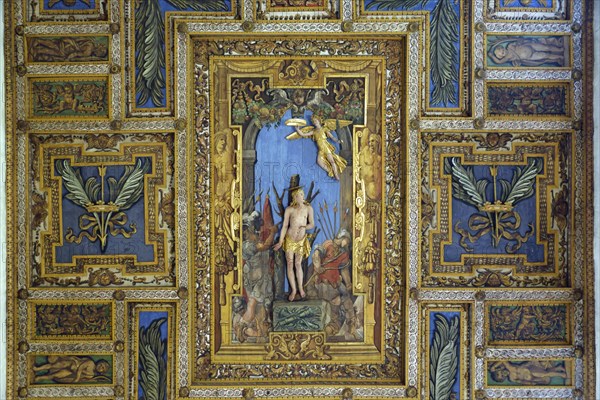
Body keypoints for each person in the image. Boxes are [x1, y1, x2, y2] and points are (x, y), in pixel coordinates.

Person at [273, 188, 315, 301]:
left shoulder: (308, 209)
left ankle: (301, 288)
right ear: (294, 198)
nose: (300, 197)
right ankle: (293, 290)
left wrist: (304, 227)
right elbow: (285, 226)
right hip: (290, 239)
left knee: (298, 263)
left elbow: (312, 224)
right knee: (290, 263)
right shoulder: (289, 210)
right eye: (298, 195)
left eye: (302, 194)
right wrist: (280, 242)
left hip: (301, 240)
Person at [292, 115, 347, 180]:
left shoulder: (324, 129)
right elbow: (303, 134)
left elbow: (332, 137)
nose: (315, 122)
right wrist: (297, 129)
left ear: (319, 121)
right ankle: (330, 171)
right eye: (313, 121)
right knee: (319, 162)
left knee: (332, 161)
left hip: (326, 147)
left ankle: (336, 174)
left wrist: (337, 141)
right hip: (321, 149)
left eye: (316, 121)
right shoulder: (314, 131)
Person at [488, 37, 565, 67]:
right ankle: (559, 57)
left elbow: (517, 40)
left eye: (502, 49)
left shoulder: (510, 46)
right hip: (530, 56)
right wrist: (491, 56)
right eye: (501, 53)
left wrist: (519, 41)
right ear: (502, 56)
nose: (503, 51)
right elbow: (498, 62)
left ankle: (559, 49)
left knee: (546, 47)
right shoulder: (508, 58)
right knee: (545, 55)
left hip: (530, 46)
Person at [33, 356, 110, 383]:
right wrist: (77, 378)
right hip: (71, 363)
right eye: (101, 364)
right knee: (53, 365)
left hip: (71, 371)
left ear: (102, 372)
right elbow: (80, 368)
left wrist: (76, 378)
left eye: (102, 368)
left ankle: (39, 377)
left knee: (55, 375)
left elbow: (82, 376)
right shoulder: (91, 363)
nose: (100, 367)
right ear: (99, 362)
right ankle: (37, 368)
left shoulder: (91, 375)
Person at [489, 360, 569, 385]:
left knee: (544, 373)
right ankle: (558, 367)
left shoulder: (509, 367)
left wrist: (494, 366)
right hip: (531, 376)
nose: (503, 374)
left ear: (499, 370)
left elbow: (503, 360)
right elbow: (522, 381)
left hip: (529, 368)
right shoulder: (511, 378)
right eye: (502, 377)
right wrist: (532, 382)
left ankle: (561, 374)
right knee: (544, 375)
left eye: (500, 373)